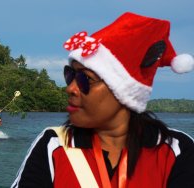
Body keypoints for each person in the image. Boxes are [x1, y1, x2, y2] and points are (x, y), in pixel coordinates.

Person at [12, 12, 194, 188]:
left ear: (124, 92)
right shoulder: (54, 144)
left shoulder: (177, 150)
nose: (70, 88)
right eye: (70, 75)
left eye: (85, 79)